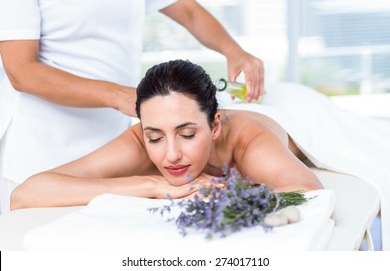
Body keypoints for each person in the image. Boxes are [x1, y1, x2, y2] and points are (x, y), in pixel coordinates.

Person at [0, 0, 264, 213]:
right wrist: (119, 96)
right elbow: (22, 71)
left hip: (114, 153)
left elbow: (188, 11)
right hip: (40, 149)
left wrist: (233, 50)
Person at [10, 60, 322, 210]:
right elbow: (26, 194)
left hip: (298, 109)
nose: (170, 154)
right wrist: (153, 185)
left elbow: (308, 194)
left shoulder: (249, 141)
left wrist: (237, 197)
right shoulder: (141, 141)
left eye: (187, 135)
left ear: (215, 126)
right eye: (155, 137)